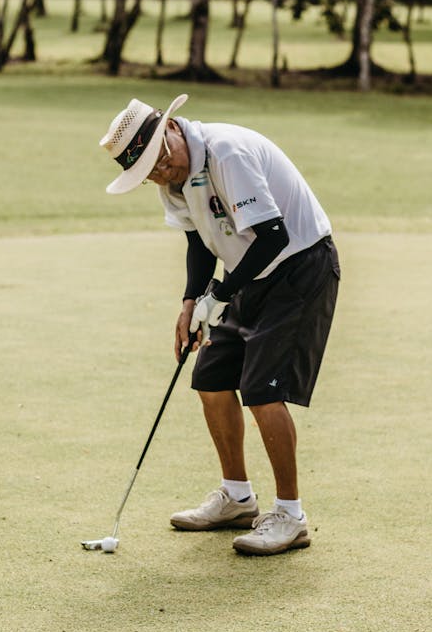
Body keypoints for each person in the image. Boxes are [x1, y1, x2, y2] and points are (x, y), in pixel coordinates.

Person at [99, 93, 340, 556]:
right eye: (149, 172)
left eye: (161, 163)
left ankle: (291, 515)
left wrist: (221, 294)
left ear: (171, 129)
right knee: (210, 377)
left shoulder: (226, 151)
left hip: (299, 268)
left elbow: (273, 236)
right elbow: (198, 240)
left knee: (263, 388)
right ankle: (238, 498)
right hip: (247, 272)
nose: (160, 175)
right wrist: (192, 300)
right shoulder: (170, 179)